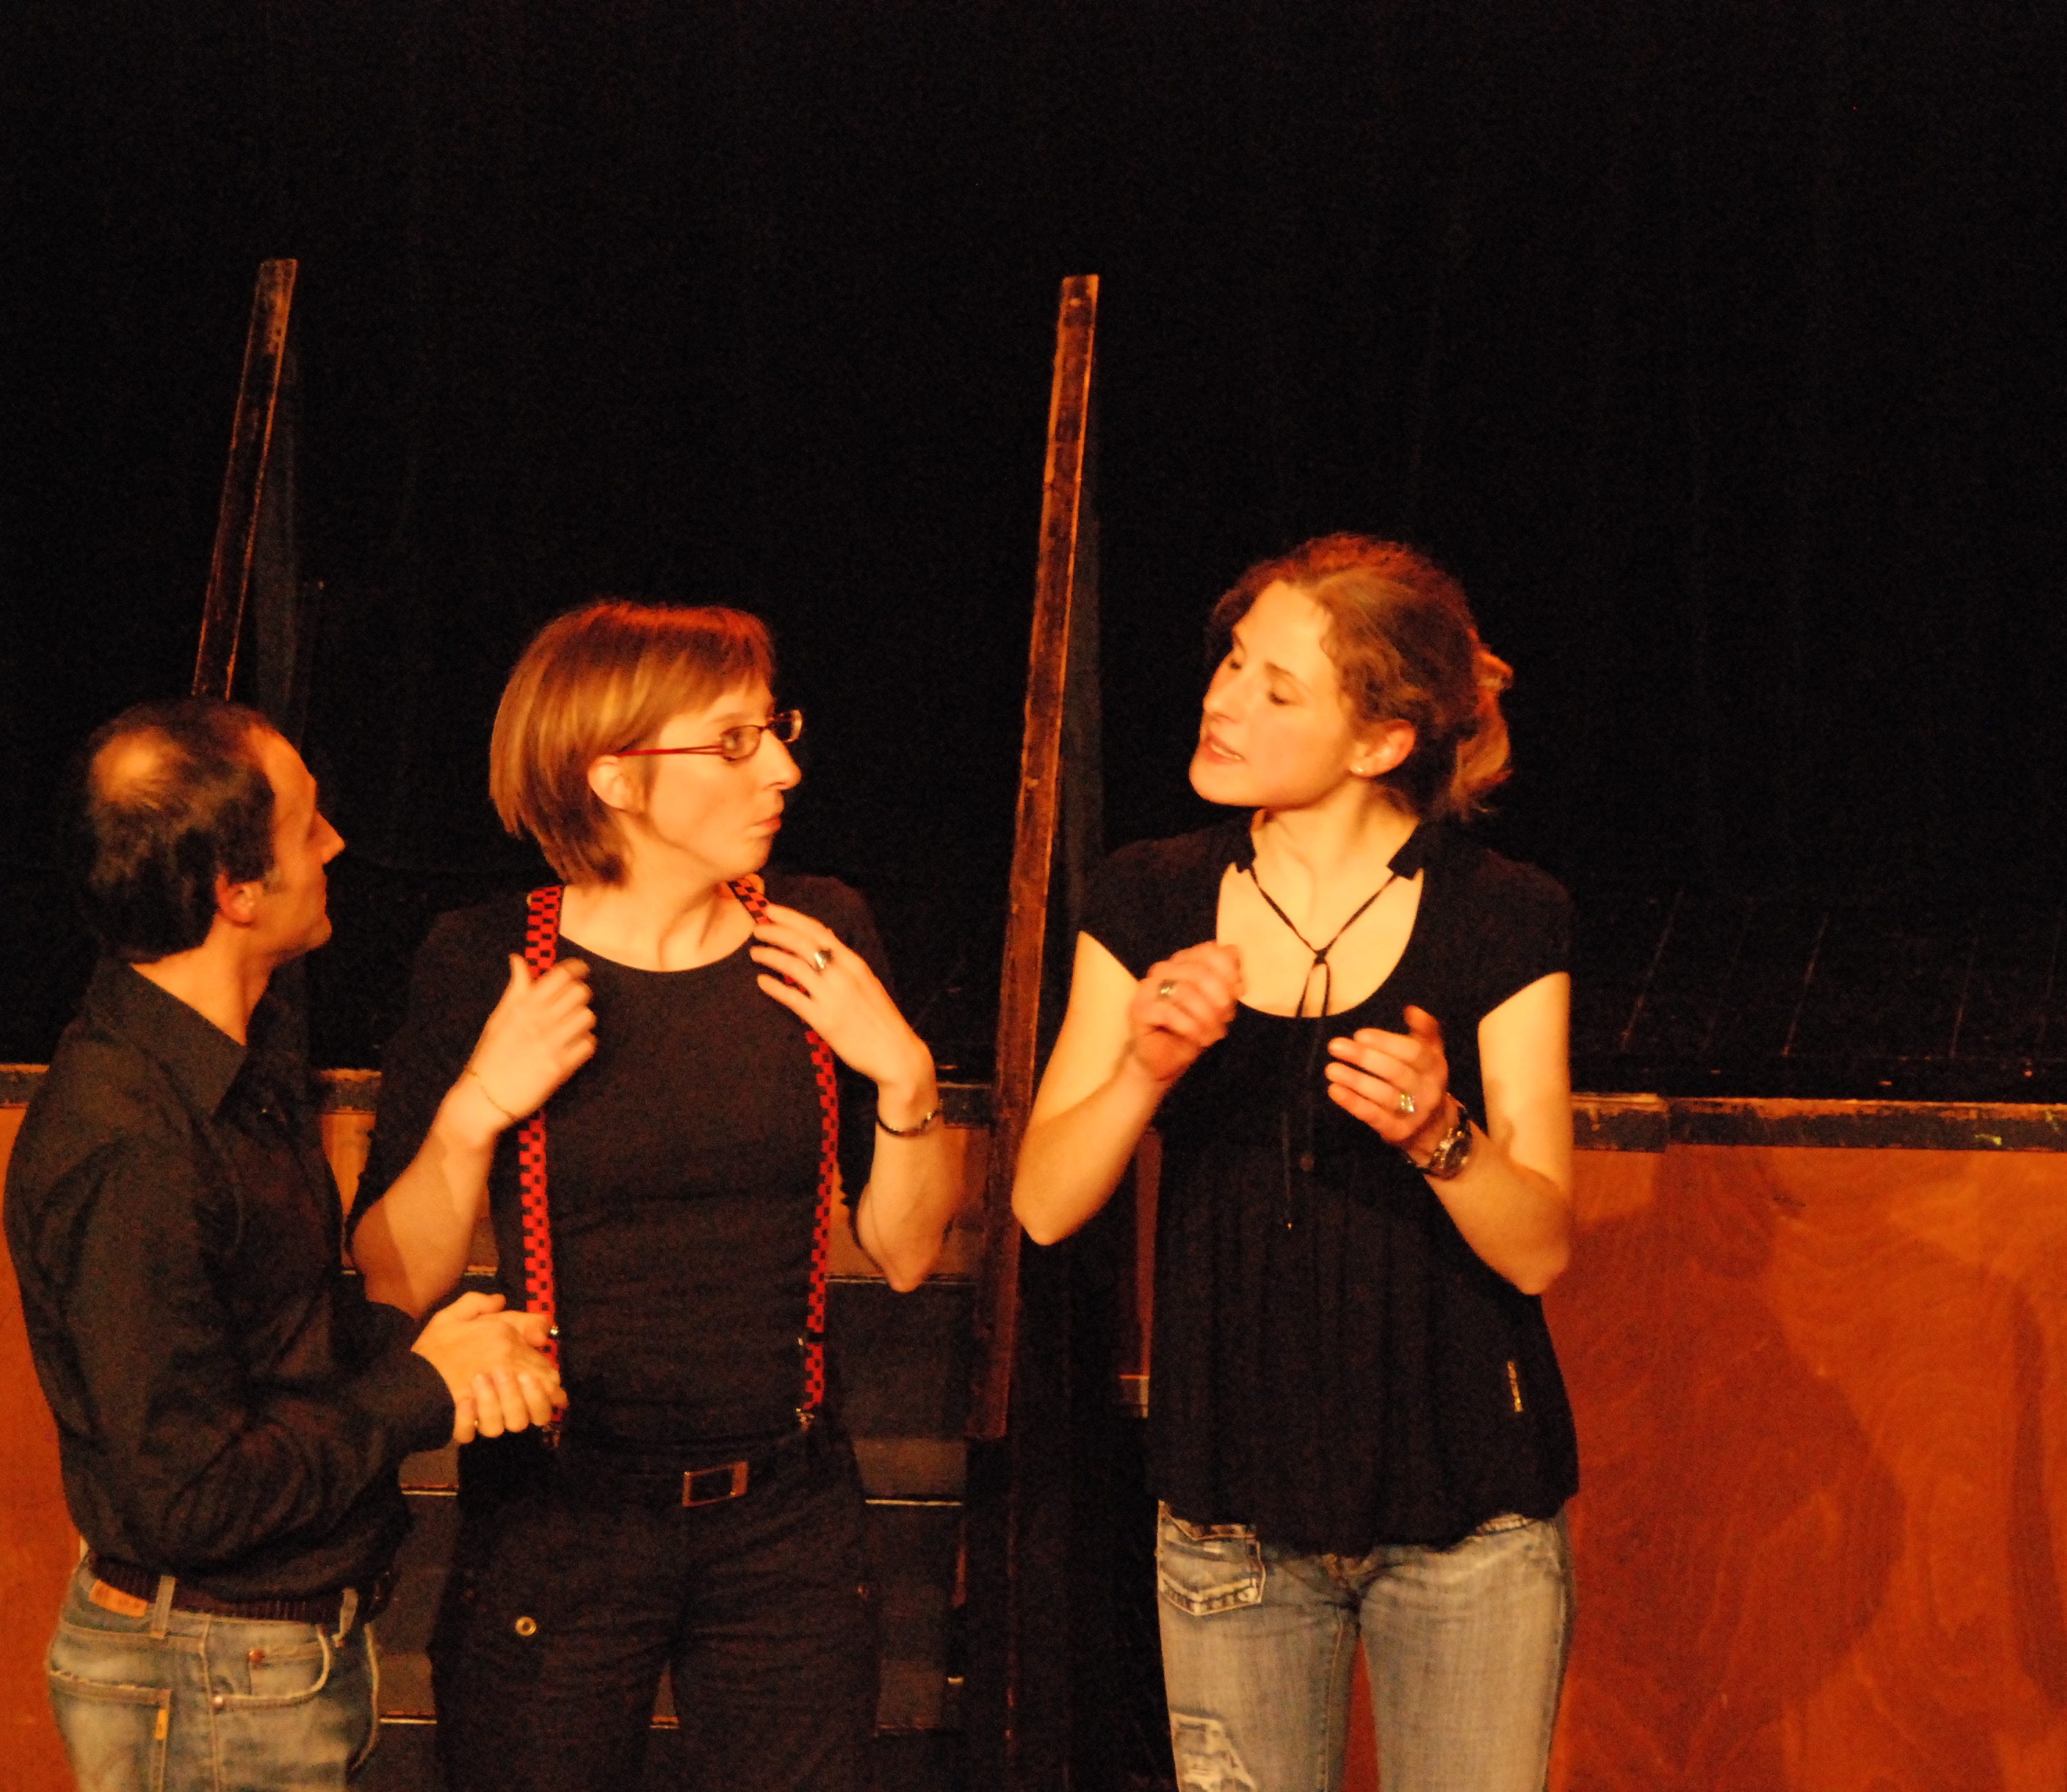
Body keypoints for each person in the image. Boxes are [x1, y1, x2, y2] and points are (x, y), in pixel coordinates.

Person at [348, 601, 966, 1792]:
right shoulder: (485, 957)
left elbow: (901, 1254)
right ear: (615, 777)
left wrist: (905, 1075)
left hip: (785, 1516)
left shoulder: (819, 933)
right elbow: (394, 1276)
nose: (781, 768)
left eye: (774, 730)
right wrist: (476, 1109)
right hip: (563, 1516)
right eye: (733, 742)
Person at [1012, 536, 1578, 1792]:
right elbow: (1044, 1205)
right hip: (1233, 1524)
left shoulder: (1502, 912)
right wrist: (1143, 1070)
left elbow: (1540, 1245)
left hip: (1466, 1526)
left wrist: (1440, 1136)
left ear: (1380, 743)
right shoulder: (1150, 896)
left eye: (1277, 688)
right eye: (1230, 663)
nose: (1223, 701)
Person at [4, 697, 565, 1792]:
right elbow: (190, 1495)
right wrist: (421, 1389)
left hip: (256, 1666)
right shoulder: (133, 1142)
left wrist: (445, 1353)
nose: (336, 845)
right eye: (309, 827)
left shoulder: (226, 1071)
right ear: (237, 891)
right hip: (208, 1675)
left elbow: (271, 1344)